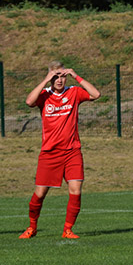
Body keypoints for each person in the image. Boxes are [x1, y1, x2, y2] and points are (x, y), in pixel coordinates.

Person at [19, 62, 101, 239]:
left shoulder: (74, 92)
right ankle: (32, 227)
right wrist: (45, 80)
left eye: (62, 76)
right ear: (50, 77)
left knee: (76, 190)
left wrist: (75, 75)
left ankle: (67, 230)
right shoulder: (44, 95)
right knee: (40, 194)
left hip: (72, 151)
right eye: (55, 76)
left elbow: (96, 94)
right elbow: (29, 101)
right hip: (50, 153)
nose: (59, 80)